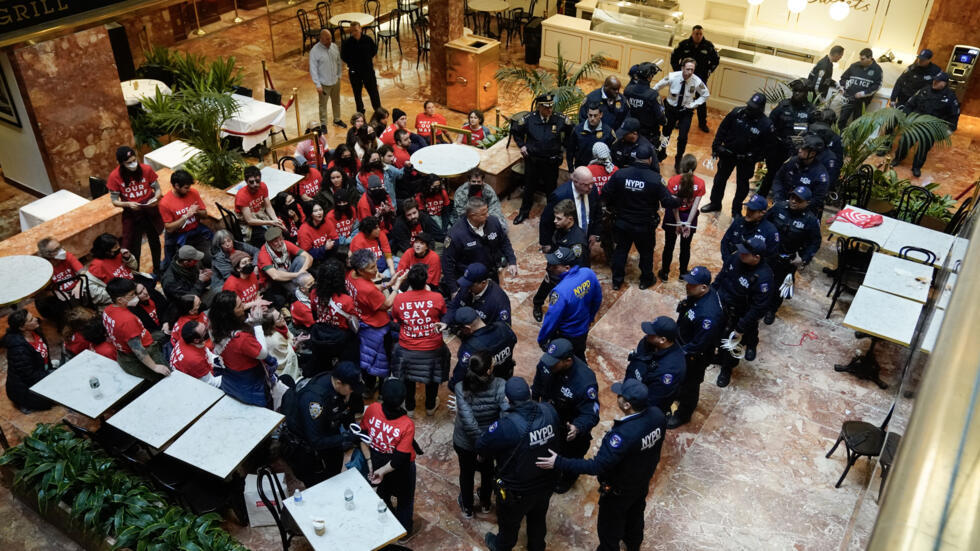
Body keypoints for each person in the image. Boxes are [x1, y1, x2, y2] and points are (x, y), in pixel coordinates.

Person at [535, 379, 666, 551]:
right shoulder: (658, 416)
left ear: (627, 404)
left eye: (620, 395)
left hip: (619, 489)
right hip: (641, 480)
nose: (617, 397)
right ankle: (633, 544)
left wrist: (559, 461)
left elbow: (596, 466)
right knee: (635, 515)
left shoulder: (623, 435)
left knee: (609, 529)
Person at [477, 377, 562, 551]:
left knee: (509, 523)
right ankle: (537, 546)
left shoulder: (506, 426)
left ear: (508, 400)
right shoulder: (549, 410)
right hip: (546, 482)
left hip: (518, 490)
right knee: (538, 518)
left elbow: (482, 445)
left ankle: (501, 546)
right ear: (530, 393)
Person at [602, 144, 680, 290]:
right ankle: (645, 280)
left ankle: (617, 281)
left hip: (622, 222)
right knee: (646, 253)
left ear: (634, 157)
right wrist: (680, 199)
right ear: (650, 159)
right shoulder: (655, 179)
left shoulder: (620, 174)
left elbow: (605, 193)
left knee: (620, 251)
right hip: (644, 225)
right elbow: (667, 202)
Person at [531, 338, 599, 494]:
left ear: (568, 360)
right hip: (549, 417)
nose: (548, 365)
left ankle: (568, 477)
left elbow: (591, 413)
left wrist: (578, 427)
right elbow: (538, 384)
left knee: (572, 455)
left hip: (569, 426)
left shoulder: (584, 381)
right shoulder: (547, 364)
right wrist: (534, 403)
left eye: (554, 362)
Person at [281, 362, 362, 486]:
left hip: (327, 431)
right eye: (351, 389)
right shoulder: (315, 402)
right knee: (318, 484)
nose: (352, 392)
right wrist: (346, 437)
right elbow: (316, 441)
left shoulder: (337, 383)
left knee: (334, 471)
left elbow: (343, 412)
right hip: (308, 450)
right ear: (339, 383)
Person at [452, 350, 507, 518]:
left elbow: (468, 422)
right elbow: (505, 416)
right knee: (487, 471)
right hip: (490, 441)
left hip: (465, 442)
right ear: (489, 371)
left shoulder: (461, 387)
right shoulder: (500, 384)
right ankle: (485, 503)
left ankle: (467, 507)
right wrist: (485, 446)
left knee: (466, 473)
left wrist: (479, 444)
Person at [360, 378, 418, 537]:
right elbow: (401, 458)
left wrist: (372, 465)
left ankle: (388, 523)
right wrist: (383, 471)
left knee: (383, 495)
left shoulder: (372, 408)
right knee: (405, 500)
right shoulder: (406, 424)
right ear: (402, 401)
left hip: (377, 460)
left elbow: (363, 437)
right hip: (400, 469)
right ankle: (404, 534)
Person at [713, 237, 774, 387]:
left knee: (735, 341)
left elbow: (759, 308)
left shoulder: (764, 278)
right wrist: (711, 294)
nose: (741, 254)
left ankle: (727, 368)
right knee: (720, 335)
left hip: (742, 313)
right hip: (724, 303)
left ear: (756, 257)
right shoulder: (736, 257)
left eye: (746, 253)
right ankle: (720, 357)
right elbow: (722, 275)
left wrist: (741, 328)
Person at [670, 266, 725, 429]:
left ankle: (684, 414)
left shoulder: (709, 315)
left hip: (695, 356)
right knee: (682, 380)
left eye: (692, 284)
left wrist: (680, 353)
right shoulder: (697, 296)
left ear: (704, 287)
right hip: (684, 340)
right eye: (688, 282)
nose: (687, 286)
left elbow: (699, 344)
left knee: (690, 386)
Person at [347, 249, 408, 395]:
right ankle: (382, 391)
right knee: (383, 361)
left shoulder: (351, 276)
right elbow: (386, 304)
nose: (376, 270)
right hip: (378, 327)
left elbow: (371, 292)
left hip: (363, 324)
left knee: (367, 359)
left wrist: (387, 284)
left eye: (375, 265)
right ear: (361, 271)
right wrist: (396, 286)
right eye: (371, 268)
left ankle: (368, 388)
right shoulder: (367, 289)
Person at [702, 93, 774, 216]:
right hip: (728, 154)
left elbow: (766, 148)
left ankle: (736, 211)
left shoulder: (766, 125)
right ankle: (715, 203)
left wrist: (752, 157)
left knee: (742, 185)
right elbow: (722, 129)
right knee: (720, 179)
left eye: (753, 108)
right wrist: (717, 147)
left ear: (760, 109)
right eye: (749, 105)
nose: (749, 109)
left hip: (746, 160)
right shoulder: (737, 112)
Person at [392, 265, 450, 416]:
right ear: (426, 281)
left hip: (407, 348)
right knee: (433, 376)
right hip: (433, 348)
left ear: (409, 281)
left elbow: (397, 319)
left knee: (407, 378)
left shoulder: (399, 298)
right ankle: (430, 406)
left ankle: (409, 408)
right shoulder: (436, 297)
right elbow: (443, 313)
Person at [511, 93, 572, 225]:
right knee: (529, 188)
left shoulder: (559, 119)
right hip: (533, 161)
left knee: (551, 189)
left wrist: (564, 147)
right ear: (539, 107)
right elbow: (515, 130)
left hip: (551, 162)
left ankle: (552, 215)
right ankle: (524, 212)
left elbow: (571, 131)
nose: (549, 110)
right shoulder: (529, 119)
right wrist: (522, 146)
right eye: (546, 107)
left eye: (551, 107)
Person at [764, 187, 821, 324]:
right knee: (761, 278)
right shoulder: (779, 207)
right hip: (768, 254)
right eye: (792, 197)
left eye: (799, 200)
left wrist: (804, 259)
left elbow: (815, 242)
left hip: (787, 260)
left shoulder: (811, 220)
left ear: (807, 203)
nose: (794, 201)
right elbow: (764, 221)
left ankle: (771, 309)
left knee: (779, 286)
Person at [210, 290, 275, 407]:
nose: (244, 306)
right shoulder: (241, 339)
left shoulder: (216, 327)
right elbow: (263, 353)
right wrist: (257, 324)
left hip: (232, 379)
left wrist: (249, 321)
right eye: (240, 306)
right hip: (250, 383)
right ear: (230, 313)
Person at [442, 197, 518, 295]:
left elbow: (504, 242)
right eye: (483, 214)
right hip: (471, 280)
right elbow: (447, 263)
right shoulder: (455, 234)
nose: (488, 215)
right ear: (472, 215)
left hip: (492, 273)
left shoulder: (493, 222)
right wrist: (453, 289)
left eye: (487, 211)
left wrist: (512, 261)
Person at [108, 146, 164, 275]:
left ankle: (157, 269)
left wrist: (155, 198)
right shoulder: (114, 176)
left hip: (149, 209)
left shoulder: (146, 169)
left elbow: (158, 189)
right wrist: (128, 204)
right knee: (134, 246)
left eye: (134, 160)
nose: (133, 164)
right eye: (129, 163)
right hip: (132, 213)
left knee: (154, 241)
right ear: (121, 163)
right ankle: (136, 273)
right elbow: (114, 201)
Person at [537, 247, 601, 359]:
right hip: (583, 329)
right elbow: (597, 299)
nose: (550, 268)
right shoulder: (588, 273)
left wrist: (542, 339)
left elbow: (552, 318)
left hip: (566, 334)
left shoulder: (560, 291)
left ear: (567, 268)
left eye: (555, 266)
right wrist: (590, 318)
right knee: (579, 354)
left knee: (562, 360)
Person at [103, 278, 170, 381]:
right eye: (132, 295)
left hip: (125, 352)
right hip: (145, 352)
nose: (135, 297)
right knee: (167, 376)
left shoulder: (107, 310)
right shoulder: (127, 320)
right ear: (120, 299)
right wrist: (155, 367)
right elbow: (138, 349)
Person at [893, 72, 960, 177]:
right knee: (905, 141)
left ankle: (916, 167)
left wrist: (947, 131)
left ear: (944, 83)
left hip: (931, 128)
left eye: (938, 81)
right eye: (934, 80)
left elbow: (954, 115)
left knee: (923, 148)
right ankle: (897, 159)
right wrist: (905, 118)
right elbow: (910, 104)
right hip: (916, 123)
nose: (935, 82)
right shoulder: (924, 90)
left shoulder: (950, 97)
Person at [757, 78, 816, 198]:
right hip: (778, 149)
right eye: (795, 91)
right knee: (771, 174)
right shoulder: (783, 106)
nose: (796, 94)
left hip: (797, 151)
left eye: (800, 91)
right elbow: (770, 125)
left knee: (790, 179)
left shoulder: (811, 110)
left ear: (806, 94)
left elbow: (812, 132)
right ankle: (760, 197)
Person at [533, 200, 589, 322]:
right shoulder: (560, 228)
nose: (555, 221)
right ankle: (537, 303)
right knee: (546, 285)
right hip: (554, 267)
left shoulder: (577, 242)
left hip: (565, 275)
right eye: (555, 218)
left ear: (570, 219)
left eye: (559, 218)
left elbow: (580, 267)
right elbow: (555, 247)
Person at [654, 57, 710, 173]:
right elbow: (656, 88)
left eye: (692, 70)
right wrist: (658, 102)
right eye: (688, 69)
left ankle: (678, 159)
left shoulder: (696, 81)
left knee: (683, 137)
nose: (690, 72)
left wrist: (694, 104)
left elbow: (705, 94)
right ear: (682, 68)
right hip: (671, 110)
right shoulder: (672, 76)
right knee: (666, 134)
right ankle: (662, 151)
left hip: (685, 111)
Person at [623, 317, 686, 414]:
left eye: (652, 333)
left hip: (642, 407)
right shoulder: (649, 341)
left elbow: (653, 401)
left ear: (662, 340)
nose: (647, 334)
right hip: (632, 388)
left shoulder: (670, 370)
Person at [308, 259, 360, 373]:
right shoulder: (346, 300)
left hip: (320, 336)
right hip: (341, 339)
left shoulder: (313, 293)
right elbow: (354, 321)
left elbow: (314, 314)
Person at [538, 167, 599, 262]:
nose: (590, 187)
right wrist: (545, 243)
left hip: (585, 239)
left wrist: (595, 233)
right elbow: (546, 219)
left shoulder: (592, 190)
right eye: (586, 184)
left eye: (592, 183)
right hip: (566, 241)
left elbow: (597, 212)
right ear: (575, 182)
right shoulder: (560, 195)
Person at [660, 154, 704, 281]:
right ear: (695, 167)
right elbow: (695, 206)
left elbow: (674, 205)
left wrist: (678, 222)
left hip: (673, 217)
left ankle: (665, 273)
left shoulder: (673, 181)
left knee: (669, 245)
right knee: (686, 247)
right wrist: (687, 224)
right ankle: (683, 273)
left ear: (681, 166)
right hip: (689, 216)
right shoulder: (700, 183)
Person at [670, 25, 719, 132]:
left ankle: (702, 123)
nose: (698, 36)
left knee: (701, 99)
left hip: (700, 77)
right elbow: (674, 58)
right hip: (685, 77)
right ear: (692, 33)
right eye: (696, 33)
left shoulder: (708, 46)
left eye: (700, 34)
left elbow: (716, 60)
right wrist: (679, 71)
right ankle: (679, 120)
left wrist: (709, 70)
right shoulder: (684, 44)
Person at [450, 306, 518, 384]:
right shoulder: (503, 327)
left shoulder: (470, 347)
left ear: (467, 328)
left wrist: (453, 384)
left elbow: (461, 373)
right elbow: (514, 340)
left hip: (485, 386)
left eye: (461, 329)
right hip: (505, 377)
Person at [158, 169, 211, 269]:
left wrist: (196, 212)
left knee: (209, 259)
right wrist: (186, 216)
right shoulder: (165, 203)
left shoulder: (193, 192)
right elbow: (169, 228)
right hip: (179, 237)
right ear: (177, 186)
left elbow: (205, 214)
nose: (188, 190)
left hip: (196, 233)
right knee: (193, 266)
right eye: (186, 188)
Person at [3, 310, 54, 412]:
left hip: (40, 372)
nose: (36, 319)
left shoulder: (35, 331)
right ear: (22, 328)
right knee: (49, 402)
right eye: (31, 320)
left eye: (33, 317)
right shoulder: (18, 349)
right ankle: (24, 403)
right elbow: (29, 376)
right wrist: (50, 376)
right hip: (24, 387)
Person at [771, 134, 830, 217]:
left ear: (812, 153)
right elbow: (778, 179)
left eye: (803, 149)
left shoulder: (820, 175)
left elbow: (817, 199)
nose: (799, 150)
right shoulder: (792, 161)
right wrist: (778, 198)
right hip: (783, 203)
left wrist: (799, 205)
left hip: (803, 212)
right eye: (800, 147)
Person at [257, 227, 314, 308]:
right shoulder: (263, 254)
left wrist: (302, 270)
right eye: (276, 242)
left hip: (290, 274)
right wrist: (298, 274)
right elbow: (275, 276)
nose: (280, 243)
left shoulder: (285, 244)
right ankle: (301, 296)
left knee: (302, 259)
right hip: (273, 284)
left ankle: (303, 287)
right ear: (269, 243)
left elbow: (308, 257)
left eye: (281, 239)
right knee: (280, 270)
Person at [444, 263, 512, 327]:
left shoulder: (499, 302)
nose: (467, 288)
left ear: (483, 283)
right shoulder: (466, 287)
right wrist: (445, 321)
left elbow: (504, 331)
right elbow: (453, 306)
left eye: (470, 285)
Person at [623, 62, 666, 157]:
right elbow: (661, 119)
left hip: (629, 133)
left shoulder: (628, 90)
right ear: (650, 77)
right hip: (648, 136)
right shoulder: (653, 95)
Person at [720, 194, 780, 260]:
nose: (748, 212)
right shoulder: (738, 222)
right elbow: (725, 242)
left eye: (753, 211)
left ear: (762, 213)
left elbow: (770, 258)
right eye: (748, 208)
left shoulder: (770, 232)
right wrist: (727, 261)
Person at [236, 165, 285, 244]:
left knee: (281, 228)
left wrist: (275, 219)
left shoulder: (263, 186)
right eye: (251, 182)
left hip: (261, 214)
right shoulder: (241, 196)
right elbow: (249, 220)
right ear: (246, 181)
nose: (255, 184)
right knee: (267, 237)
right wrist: (270, 222)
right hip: (248, 222)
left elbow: (268, 206)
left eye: (257, 181)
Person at [340, 22, 381, 115]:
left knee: (373, 91)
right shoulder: (347, 43)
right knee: (357, 93)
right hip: (355, 72)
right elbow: (343, 56)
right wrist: (352, 63)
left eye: (356, 30)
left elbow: (374, 50)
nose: (354, 32)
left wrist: (366, 60)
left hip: (368, 70)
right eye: (352, 31)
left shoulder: (368, 39)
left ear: (360, 29)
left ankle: (378, 109)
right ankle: (360, 111)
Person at [310, 28, 345, 130]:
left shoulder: (334, 47)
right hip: (323, 83)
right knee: (323, 105)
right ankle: (324, 124)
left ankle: (337, 119)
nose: (329, 41)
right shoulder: (314, 51)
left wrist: (339, 76)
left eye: (330, 39)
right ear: (321, 39)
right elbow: (313, 69)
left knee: (336, 101)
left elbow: (338, 62)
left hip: (335, 81)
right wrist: (317, 84)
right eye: (327, 39)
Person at [839, 48, 883, 127]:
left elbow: (877, 85)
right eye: (860, 58)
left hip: (862, 101)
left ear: (870, 58)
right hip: (848, 98)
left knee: (856, 123)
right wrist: (844, 86)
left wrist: (864, 93)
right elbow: (843, 78)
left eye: (863, 59)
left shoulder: (877, 70)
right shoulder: (854, 66)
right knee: (842, 119)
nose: (860, 61)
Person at [567, 101, 616, 170]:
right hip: (582, 169)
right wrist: (571, 169)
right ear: (587, 114)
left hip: (600, 170)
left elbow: (613, 153)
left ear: (601, 115)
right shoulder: (578, 130)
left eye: (595, 115)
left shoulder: (608, 132)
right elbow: (570, 151)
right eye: (590, 115)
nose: (592, 118)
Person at [415, 177, 452, 241]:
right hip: (429, 220)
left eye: (438, 186)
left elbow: (446, 212)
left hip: (441, 217)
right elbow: (423, 216)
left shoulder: (443, 192)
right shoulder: (420, 197)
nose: (437, 189)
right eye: (434, 187)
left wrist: (444, 228)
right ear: (428, 186)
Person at [324, 189, 360, 254]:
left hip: (352, 239)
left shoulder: (352, 209)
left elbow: (355, 227)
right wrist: (345, 241)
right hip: (339, 244)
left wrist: (352, 239)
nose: (342, 205)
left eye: (344, 202)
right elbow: (331, 235)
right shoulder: (330, 216)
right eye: (339, 203)